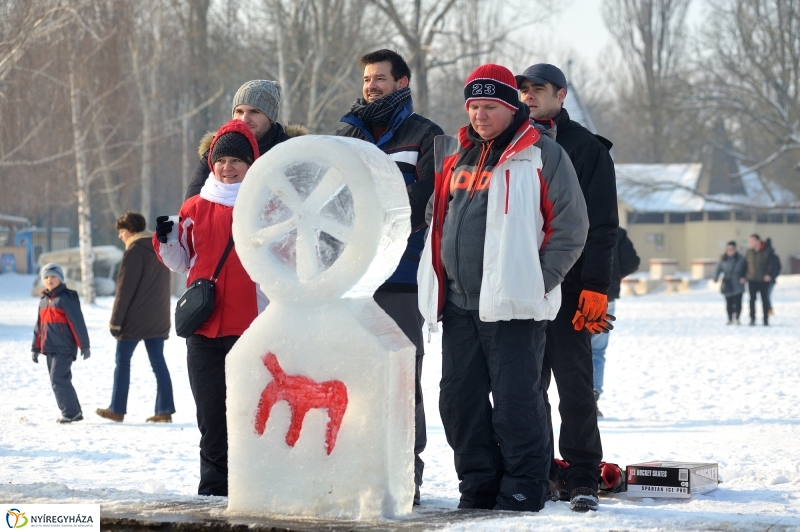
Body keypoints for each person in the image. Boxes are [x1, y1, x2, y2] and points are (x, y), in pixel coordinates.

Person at [418, 63, 588, 512]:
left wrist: (535, 283)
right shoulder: (455, 155)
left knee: (517, 403)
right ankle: (478, 484)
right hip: (457, 305)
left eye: (490, 106)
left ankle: (522, 487)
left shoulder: (543, 155)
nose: (479, 115)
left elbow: (570, 228)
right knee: (460, 402)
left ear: (512, 108)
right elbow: (439, 223)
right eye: (473, 106)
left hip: (515, 307)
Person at [336, 49, 444, 505]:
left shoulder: (426, 135)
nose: (371, 86)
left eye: (380, 78)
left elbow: (427, 198)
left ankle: (405, 478)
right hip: (351, 279)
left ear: (402, 83)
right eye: (366, 79)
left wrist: (374, 209)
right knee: (352, 382)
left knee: (401, 382)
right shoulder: (346, 135)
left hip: (400, 276)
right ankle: (355, 477)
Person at [516, 63, 619, 512]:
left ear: (561, 94)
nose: (529, 97)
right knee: (525, 388)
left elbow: (603, 227)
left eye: (538, 90)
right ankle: (538, 473)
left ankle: (582, 477)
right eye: (522, 91)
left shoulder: (588, 149)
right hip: (520, 287)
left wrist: (596, 288)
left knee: (575, 389)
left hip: (572, 290)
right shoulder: (510, 143)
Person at [154, 119, 268, 496]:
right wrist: (166, 240)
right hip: (203, 330)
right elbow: (182, 261)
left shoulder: (266, 205)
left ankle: (250, 491)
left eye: (237, 159)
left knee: (248, 417)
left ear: (252, 163)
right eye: (221, 160)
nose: (227, 167)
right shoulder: (195, 205)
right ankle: (213, 492)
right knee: (211, 419)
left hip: (249, 330)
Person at [95, 212, 175, 424]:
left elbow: (124, 290)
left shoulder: (135, 251)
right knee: (158, 362)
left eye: (121, 232)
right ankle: (164, 410)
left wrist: (115, 322)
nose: (120, 236)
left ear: (130, 231)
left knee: (122, 361)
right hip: (158, 317)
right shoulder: (159, 248)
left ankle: (117, 409)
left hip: (134, 320)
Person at [185, 80, 306, 199]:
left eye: (254, 112)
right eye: (239, 111)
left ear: (271, 118)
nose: (244, 119)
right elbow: (192, 204)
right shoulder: (218, 150)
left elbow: (308, 202)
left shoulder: (293, 152)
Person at [31, 263, 91, 424]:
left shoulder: (66, 298)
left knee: (58, 378)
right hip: (49, 347)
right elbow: (39, 326)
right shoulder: (43, 301)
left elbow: (77, 322)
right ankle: (75, 412)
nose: (49, 280)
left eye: (53, 276)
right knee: (59, 379)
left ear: (60, 279)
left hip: (64, 347)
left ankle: (69, 413)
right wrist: (35, 347)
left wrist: (84, 345)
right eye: (46, 277)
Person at [592, 227, 640, 417]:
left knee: (579, 349)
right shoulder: (617, 232)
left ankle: (580, 396)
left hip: (579, 295)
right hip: (607, 295)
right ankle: (594, 392)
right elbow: (633, 262)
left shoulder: (579, 223)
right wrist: (616, 275)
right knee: (597, 349)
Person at [742, 234, 779, 326]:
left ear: (758, 241)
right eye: (749, 241)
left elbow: (774, 266)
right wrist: (743, 276)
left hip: (764, 280)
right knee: (752, 300)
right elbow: (745, 265)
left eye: (752, 241)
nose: (751, 243)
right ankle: (752, 319)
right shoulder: (749, 252)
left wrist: (770, 275)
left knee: (765, 300)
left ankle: (765, 320)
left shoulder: (767, 252)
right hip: (752, 280)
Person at [714, 241, 746, 326]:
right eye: (728, 249)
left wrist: (744, 278)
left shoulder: (741, 259)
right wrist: (715, 277)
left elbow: (746, 269)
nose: (729, 251)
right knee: (729, 303)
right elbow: (718, 269)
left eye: (731, 249)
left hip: (738, 283)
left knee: (738, 302)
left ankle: (737, 318)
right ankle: (730, 318)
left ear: (735, 249)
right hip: (728, 283)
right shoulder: (723, 259)